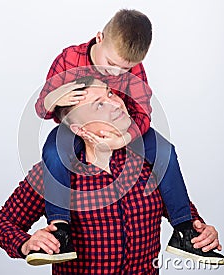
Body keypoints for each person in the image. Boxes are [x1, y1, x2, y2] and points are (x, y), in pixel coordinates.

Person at [0, 78, 224, 274]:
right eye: (99, 105)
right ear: (79, 129)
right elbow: (2, 224)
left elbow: (183, 211)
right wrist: (26, 244)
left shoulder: (151, 164)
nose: (115, 103)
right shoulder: (54, 173)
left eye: (111, 93)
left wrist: (203, 232)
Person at [34, 9, 198, 264]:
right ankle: (60, 229)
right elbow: (40, 110)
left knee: (165, 151)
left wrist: (122, 140)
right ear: (99, 38)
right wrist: (53, 99)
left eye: (125, 68)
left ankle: (184, 228)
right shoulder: (69, 59)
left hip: (124, 129)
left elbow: (143, 114)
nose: (116, 73)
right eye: (111, 64)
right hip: (75, 128)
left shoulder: (134, 69)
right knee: (53, 152)